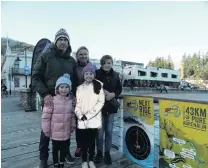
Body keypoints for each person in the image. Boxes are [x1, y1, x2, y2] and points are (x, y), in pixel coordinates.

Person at [32, 28, 77, 168]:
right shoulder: (46, 56)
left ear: (68, 43)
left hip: (66, 99)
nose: (63, 42)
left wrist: (74, 95)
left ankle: (65, 152)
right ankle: (43, 157)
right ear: (56, 41)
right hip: (50, 98)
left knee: (66, 124)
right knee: (46, 128)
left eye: (65, 40)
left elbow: (74, 80)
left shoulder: (71, 60)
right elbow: (35, 76)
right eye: (60, 39)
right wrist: (45, 93)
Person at [42, 74, 76, 168]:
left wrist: (73, 125)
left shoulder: (71, 101)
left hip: (66, 132)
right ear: (57, 88)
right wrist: (46, 129)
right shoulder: (52, 101)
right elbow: (46, 117)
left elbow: (72, 115)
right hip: (55, 132)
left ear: (69, 89)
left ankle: (61, 163)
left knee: (64, 148)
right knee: (55, 149)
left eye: (66, 87)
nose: (64, 89)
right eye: (61, 87)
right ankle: (56, 163)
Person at [74, 62, 105, 168]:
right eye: (86, 73)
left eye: (91, 73)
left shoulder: (98, 86)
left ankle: (91, 159)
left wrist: (89, 115)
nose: (89, 75)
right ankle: (84, 161)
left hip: (93, 118)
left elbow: (100, 103)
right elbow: (77, 104)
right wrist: (79, 115)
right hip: (82, 119)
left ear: (94, 75)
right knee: (82, 141)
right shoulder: (79, 88)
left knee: (92, 141)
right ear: (83, 75)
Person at [95, 55, 122, 165]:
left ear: (112, 64)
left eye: (109, 62)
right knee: (100, 133)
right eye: (105, 63)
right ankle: (99, 152)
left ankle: (107, 153)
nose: (107, 65)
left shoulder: (115, 75)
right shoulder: (96, 73)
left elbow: (119, 88)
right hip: (99, 108)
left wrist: (113, 94)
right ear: (101, 64)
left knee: (109, 132)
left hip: (111, 108)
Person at [74, 46, 97, 158]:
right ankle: (79, 146)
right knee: (80, 125)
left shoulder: (93, 66)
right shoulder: (74, 67)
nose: (83, 56)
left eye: (85, 54)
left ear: (88, 55)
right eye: (81, 54)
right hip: (78, 100)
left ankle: (89, 147)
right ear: (77, 56)